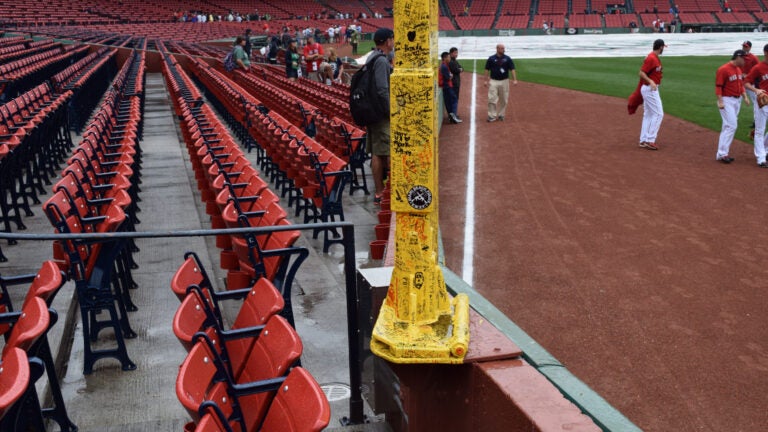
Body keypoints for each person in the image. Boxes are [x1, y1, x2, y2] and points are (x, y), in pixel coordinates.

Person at [366, 28, 394, 204]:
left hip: (371, 110)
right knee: (387, 151)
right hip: (380, 113)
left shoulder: (371, 56)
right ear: (387, 41)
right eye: (392, 39)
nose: (393, 42)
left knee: (377, 151)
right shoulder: (381, 60)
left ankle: (380, 191)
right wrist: (390, 111)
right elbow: (383, 90)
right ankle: (382, 192)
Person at [715, 50, 750, 163]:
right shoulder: (723, 69)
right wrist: (720, 101)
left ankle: (722, 153)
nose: (745, 61)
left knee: (727, 127)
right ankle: (722, 153)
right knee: (732, 125)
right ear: (738, 57)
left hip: (737, 101)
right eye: (744, 58)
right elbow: (718, 86)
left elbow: (741, 85)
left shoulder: (739, 70)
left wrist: (745, 96)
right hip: (726, 100)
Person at [637, 39, 666, 150]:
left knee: (648, 114)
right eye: (663, 47)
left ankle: (644, 139)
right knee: (659, 114)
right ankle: (650, 140)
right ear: (661, 47)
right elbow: (641, 73)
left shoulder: (653, 58)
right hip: (650, 89)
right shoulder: (651, 58)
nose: (664, 49)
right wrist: (651, 81)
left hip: (649, 88)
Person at [743, 43, 768, 167]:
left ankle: (764, 149)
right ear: (765, 53)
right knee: (760, 130)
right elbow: (746, 82)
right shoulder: (759, 68)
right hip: (763, 102)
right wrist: (756, 90)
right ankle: (761, 158)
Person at [484, 43, 517, 122]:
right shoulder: (491, 58)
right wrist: (485, 80)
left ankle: (501, 114)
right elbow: (486, 69)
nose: (503, 50)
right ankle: (492, 115)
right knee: (492, 98)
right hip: (493, 81)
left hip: (504, 81)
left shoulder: (507, 58)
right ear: (497, 49)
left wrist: (515, 79)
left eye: (503, 48)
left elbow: (512, 69)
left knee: (504, 99)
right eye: (502, 48)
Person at [440, 52, 461, 124]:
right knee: (453, 101)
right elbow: (449, 77)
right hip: (448, 86)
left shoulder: (444, 65)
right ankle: (453, 116)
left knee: (449, 102)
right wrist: (451, 76)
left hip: (446, 86)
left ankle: (451, 117)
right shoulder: (444, 67)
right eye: (448, 57)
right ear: (445, 58)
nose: (449, 58)